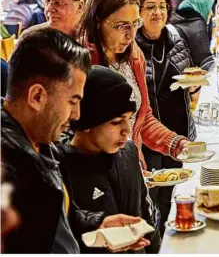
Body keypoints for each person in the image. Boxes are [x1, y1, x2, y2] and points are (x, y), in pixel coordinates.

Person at [1, 28, 145, 253]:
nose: (77, 114)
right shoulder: (7, 167)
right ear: (37, 97)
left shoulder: (40, 139)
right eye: (72, 101)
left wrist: (97, 225)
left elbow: (51, 216)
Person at [77, 0, 189, 170]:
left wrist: (174, 143)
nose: (130, 35)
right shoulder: (81, 63)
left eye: (135, 24)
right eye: (121, 26)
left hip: (131, 166)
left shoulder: (134, 56)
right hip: (95, 170)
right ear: (97, 21)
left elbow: (141, 117)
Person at [58, 66, 159, 253]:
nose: (127, 130)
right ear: (87, 123)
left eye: (129, 119)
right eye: (116, 121)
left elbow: (147, 219)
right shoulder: (59, 167)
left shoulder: (128, 153)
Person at [134, 0, 196, 236]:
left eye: (161, 7)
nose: (157, 13)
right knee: (151, 199)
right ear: (138, 11)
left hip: (178, 131)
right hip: (149, 138)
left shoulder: (174, 37)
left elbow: (190, 72)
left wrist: (194, 86)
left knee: (174, 194)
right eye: (150, 7)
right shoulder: (132, 47)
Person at [171, 0, 215, 71]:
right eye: (209, 8)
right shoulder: (197, 23)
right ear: (201, 6)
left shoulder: (177, 18)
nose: (211, 13)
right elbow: (206, 61)